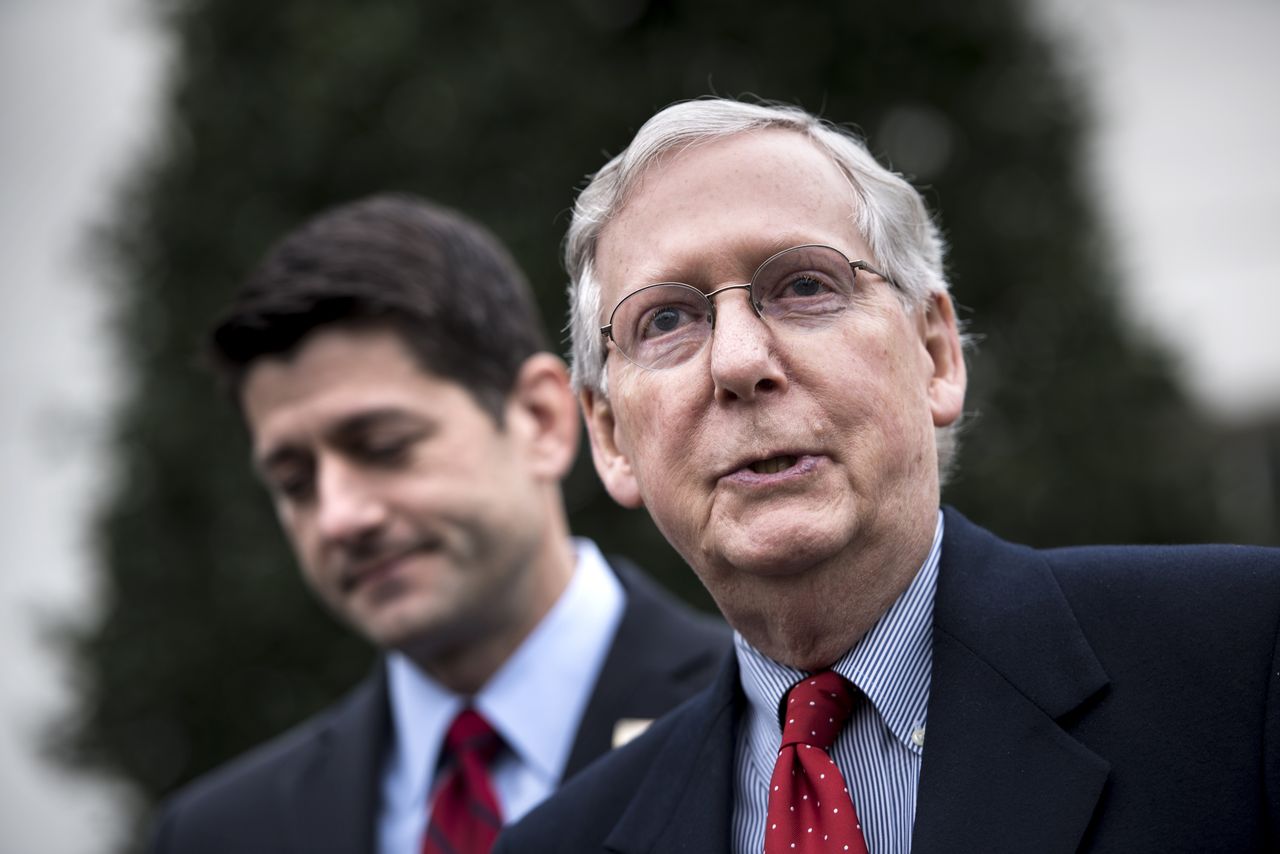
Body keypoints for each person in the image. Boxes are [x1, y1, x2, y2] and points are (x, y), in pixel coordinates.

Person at [494, 98, 1280, 853]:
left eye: (804, 285)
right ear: (609, 438)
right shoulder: (560, 841)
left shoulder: (1240, 665)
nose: (737, 361)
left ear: (936, 354)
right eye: (665, 319)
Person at [146, 193, 730, 854]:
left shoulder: (776, 734)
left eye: (385, 446)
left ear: (540, 419)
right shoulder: (218, 835)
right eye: (294, 482)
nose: (340, 517)